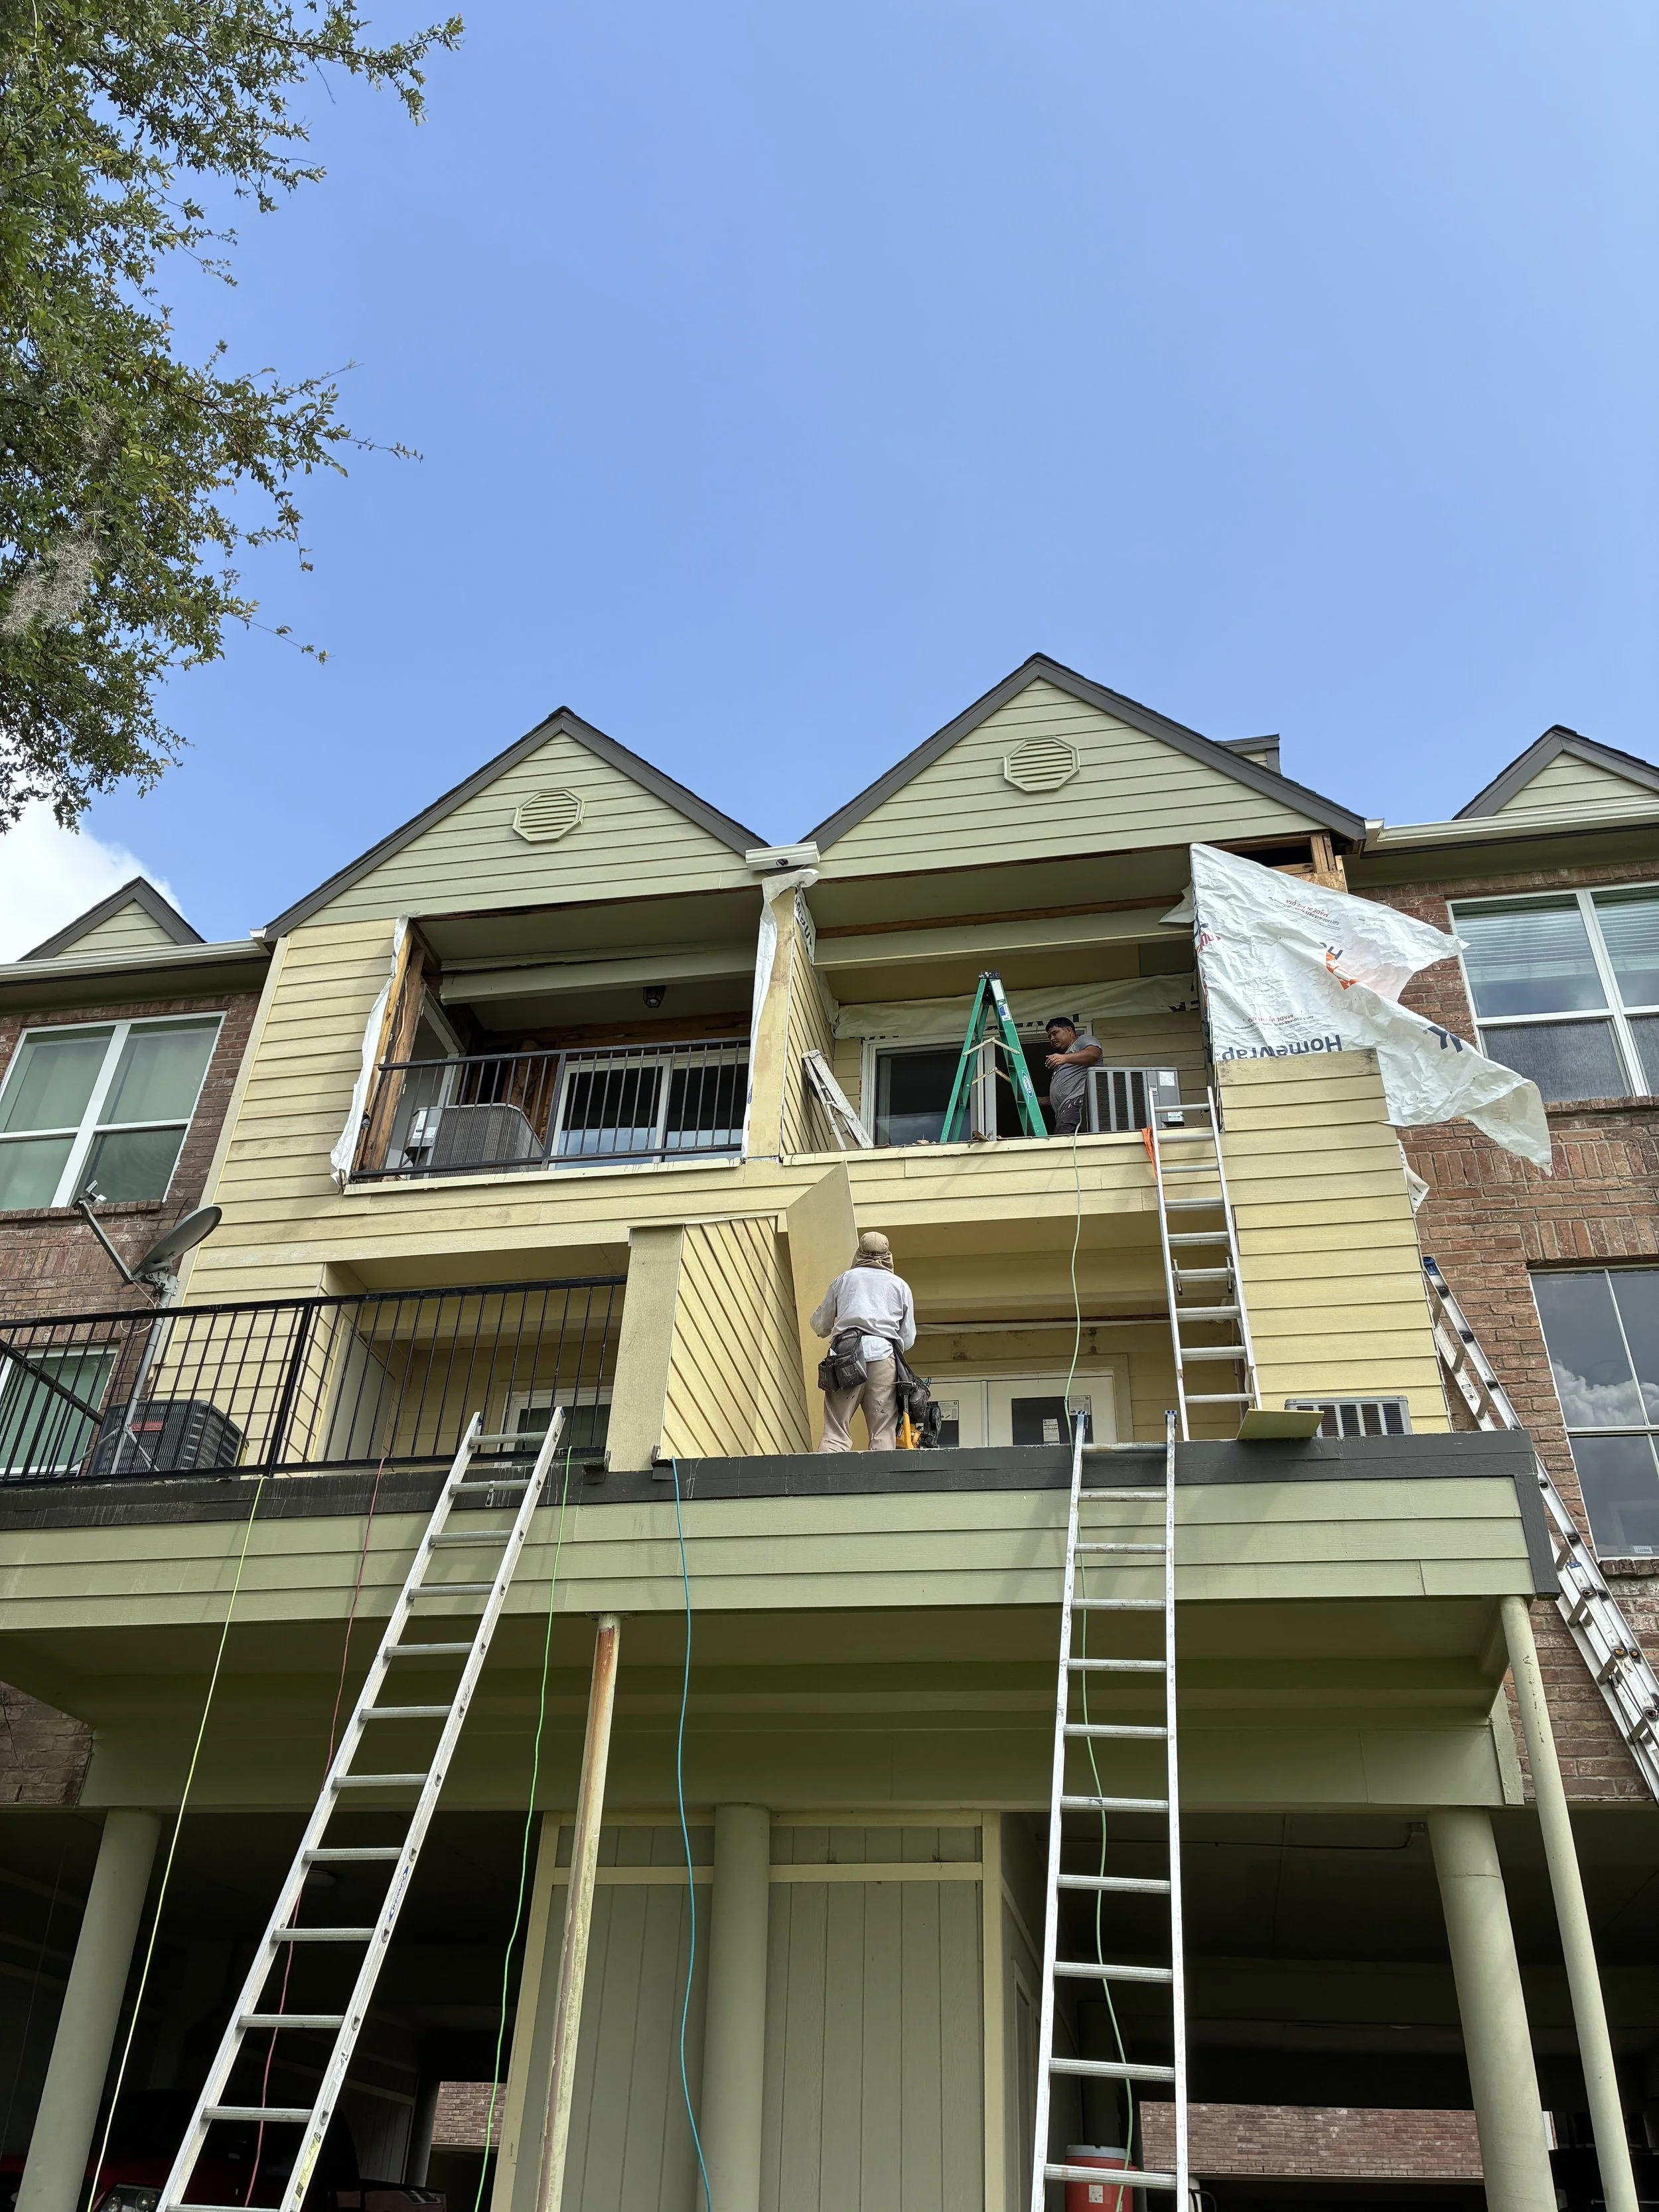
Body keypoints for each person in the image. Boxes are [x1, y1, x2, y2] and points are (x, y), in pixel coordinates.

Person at [810, 1229, 916, 1452]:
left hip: (845, 1358)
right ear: (888, 1255)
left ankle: (827, 1482)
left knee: (836, 1430)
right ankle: (881, 1485)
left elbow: (820, 1325)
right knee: (882, 1432)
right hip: (884, 1357)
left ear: (859, 1253)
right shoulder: (900, 1286)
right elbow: (908, 1338)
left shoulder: (844, 1280)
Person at [1043, 1015, 1102, 1136]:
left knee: (1065, 1147)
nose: (1052, 1039)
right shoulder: (1067, 1059)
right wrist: (1043, 1101)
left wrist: (1064, 1058)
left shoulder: (1082, 1040)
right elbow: (1068, 1090)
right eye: (1050, 1036)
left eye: (1055, 1033)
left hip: (1076, 1106)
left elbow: (1093, 1054)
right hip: (1067, 1110)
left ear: (1069, 1030)